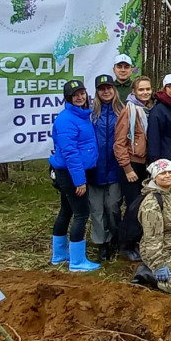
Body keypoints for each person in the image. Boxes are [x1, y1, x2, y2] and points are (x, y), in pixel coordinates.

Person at [49, 80, 100, 272]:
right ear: (68, 98)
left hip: (73, 172)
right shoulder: (65, 119)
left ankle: (60, 254)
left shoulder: (81, 115)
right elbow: (70, 153)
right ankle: (77, 261)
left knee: (66, 211)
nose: (80, 97)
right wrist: (80, 181)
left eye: (82, 93)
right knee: (81, 214)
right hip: (71, 173)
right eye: (75, 95)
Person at [113, 76, 153, 262]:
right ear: (134, 92)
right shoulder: (128, 111)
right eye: (141, 90)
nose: (145, 92)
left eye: (148, 89)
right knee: (132, 206)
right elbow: (119, 143)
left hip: (144, 163)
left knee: (141, 205)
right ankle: (125, 244)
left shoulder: (147, 110)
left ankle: (137, 241)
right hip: (131, 163)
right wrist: (127, 168)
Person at [88, 75, 125, 261]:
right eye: (102, 88)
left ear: (114, 89)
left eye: (108, 88)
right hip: (95, 170)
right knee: (96, 209)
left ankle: (115, 237)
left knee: (112, 207)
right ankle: (101, 243)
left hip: (115, 168)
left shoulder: (122, 111)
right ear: (97, 92)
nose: (106, 91)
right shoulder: (90, 113)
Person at [138, 159, 171, 293]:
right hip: (159, 250)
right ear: (154, 177)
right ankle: (146, 273)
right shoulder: (152, 204)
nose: (167, 175)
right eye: (162, 173)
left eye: (170, 172)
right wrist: (158, 264)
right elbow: (152, 238)